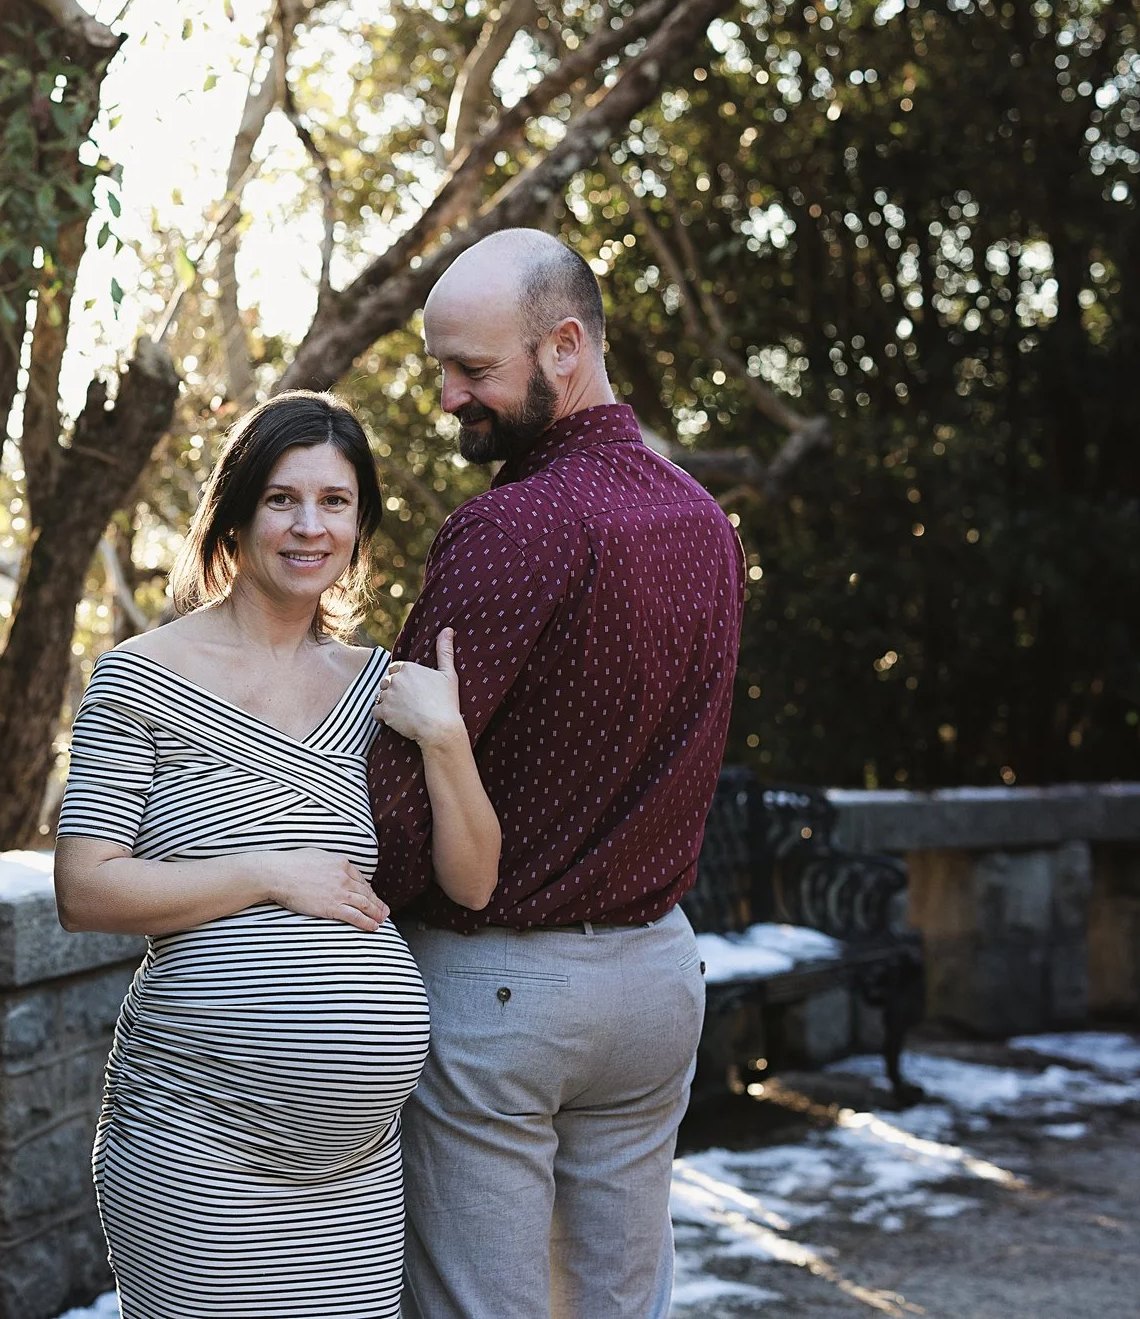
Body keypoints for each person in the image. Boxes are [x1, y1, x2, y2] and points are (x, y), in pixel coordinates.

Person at [53, 391, 503, 1319]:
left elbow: (473, 879)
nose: (309, 526)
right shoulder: (141, 674)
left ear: (361, 521)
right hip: (196, 1139)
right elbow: (84, 888)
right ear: (236, 510)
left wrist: (448, 738)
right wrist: (268, 870)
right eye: (282, 499)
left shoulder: (383, 686)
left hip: (356, 1165)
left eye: (335, 502)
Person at [367, 227, 744, 1319]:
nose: (446, 396)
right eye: (440, 365)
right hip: (656, 983)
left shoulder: (508, 525)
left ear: (564, 345)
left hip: (500, 993)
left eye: (472, 369)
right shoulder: (701, 518)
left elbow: (397, 791)